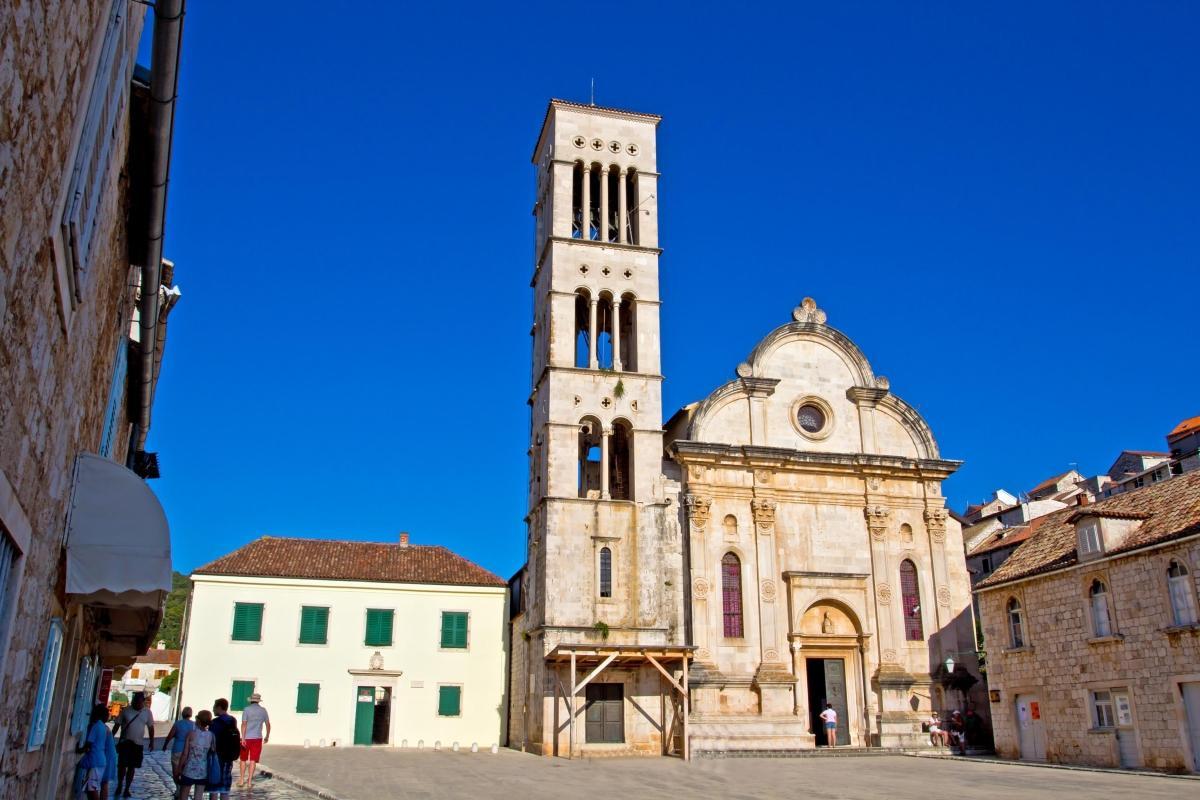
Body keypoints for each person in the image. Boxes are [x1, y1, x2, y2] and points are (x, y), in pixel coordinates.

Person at [112, 692, 155, 798]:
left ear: (142, 701)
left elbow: (151, 727)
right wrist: (111, 737)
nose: (136, 703)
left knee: (132, 767)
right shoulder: (126, 711)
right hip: (125, 742)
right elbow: (117, 725)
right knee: (122, 766)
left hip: (137, 744)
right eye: (135, 701)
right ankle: (120, 784)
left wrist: (152, 741)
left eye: (139, 701)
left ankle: (127, 788)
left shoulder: (147, 712)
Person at [173, 709, 214, 800]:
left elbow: (185, 754)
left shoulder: (191, 734)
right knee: (198, 797)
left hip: (189, 770)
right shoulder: (211, 736)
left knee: (183, 796)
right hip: (203, 771)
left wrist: (179, 768)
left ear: (198, 720)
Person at [76, 704, 111, 800]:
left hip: (95, 761)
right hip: (100, 760)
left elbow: (89, 745)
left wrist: (79, 749)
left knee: (92, 788)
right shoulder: (104, 727)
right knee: (92, 787)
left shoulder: (96, 726)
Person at [237, 693, 271, 788]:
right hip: (257, 738)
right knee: (253, 760)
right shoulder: (263, 710)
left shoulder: (247, 709)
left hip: (246, 738)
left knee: (243, 759)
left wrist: (242, 738)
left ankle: (241, 780)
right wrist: (267, 736)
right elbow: (268, 724)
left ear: (251, 700)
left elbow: (244, 724)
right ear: (258, 701)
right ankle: (249, 782)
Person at [207, 699, 238, 800]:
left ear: (219, 707)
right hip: (229, 756)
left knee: (214, 787)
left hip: (217, 757)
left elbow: (211, 741)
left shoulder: (215, 723)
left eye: (214, 706)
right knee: (225, 788)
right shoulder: (232, 720)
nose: (213, 709)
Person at [163, 707, 195, 784]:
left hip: (177, 749)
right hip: (188, 750)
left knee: (175, 770)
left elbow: (170, 735)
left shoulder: (178, 723)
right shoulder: (194, 725)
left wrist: (165, 745)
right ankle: (182, 789)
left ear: (182, 713)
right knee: (185, 771)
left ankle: (178, 788)